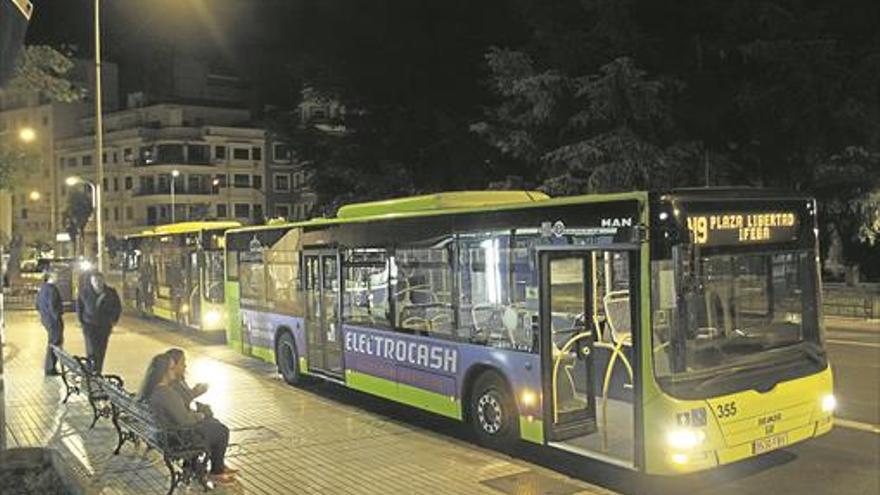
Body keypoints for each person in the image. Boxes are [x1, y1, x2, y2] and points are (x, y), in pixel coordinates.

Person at [138, 353, 237, 483]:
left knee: (213, 423)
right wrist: (200, 415)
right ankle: (216, 472)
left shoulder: (152, 390)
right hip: (175, 439)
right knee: (221, 430)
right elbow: (185, 420)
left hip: (162, 434)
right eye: (172, 368)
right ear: (164, 372)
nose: (174, 371)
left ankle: (208, 466)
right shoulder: (165, 393)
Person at [76, 272, 122, 374]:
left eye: (99, 280)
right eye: (95, 281)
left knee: (101, 349)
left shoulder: (110, 292)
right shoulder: (84, 292)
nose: (97, 283)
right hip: (89, 325)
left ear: (103, 280)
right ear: (91, 282)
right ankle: (91, 369)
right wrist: (81, 322)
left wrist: (114, 320)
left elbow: (117, 307)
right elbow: (79, 307)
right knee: (92, 348)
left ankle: (98, 370)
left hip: (104, 326)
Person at [164, 348, 211, 416]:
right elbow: (180, 403)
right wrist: (195, 393)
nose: (185, 366)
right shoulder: (170, 385)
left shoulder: (180, 379)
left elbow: (187, 396)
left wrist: (195, 391)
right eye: (182, 363)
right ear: (173, 365)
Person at [36, 271, 65, 376]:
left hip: (46, 319)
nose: (57, 277)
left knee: (52, 342)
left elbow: (37, 305)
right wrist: (56, 317)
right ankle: (50, 367)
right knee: (55, 343)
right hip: (53, 321)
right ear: (50, 277)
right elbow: (52, 305)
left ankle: (50, 367)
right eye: (55, 275)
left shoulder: (42, 289)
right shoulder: (52, 289)